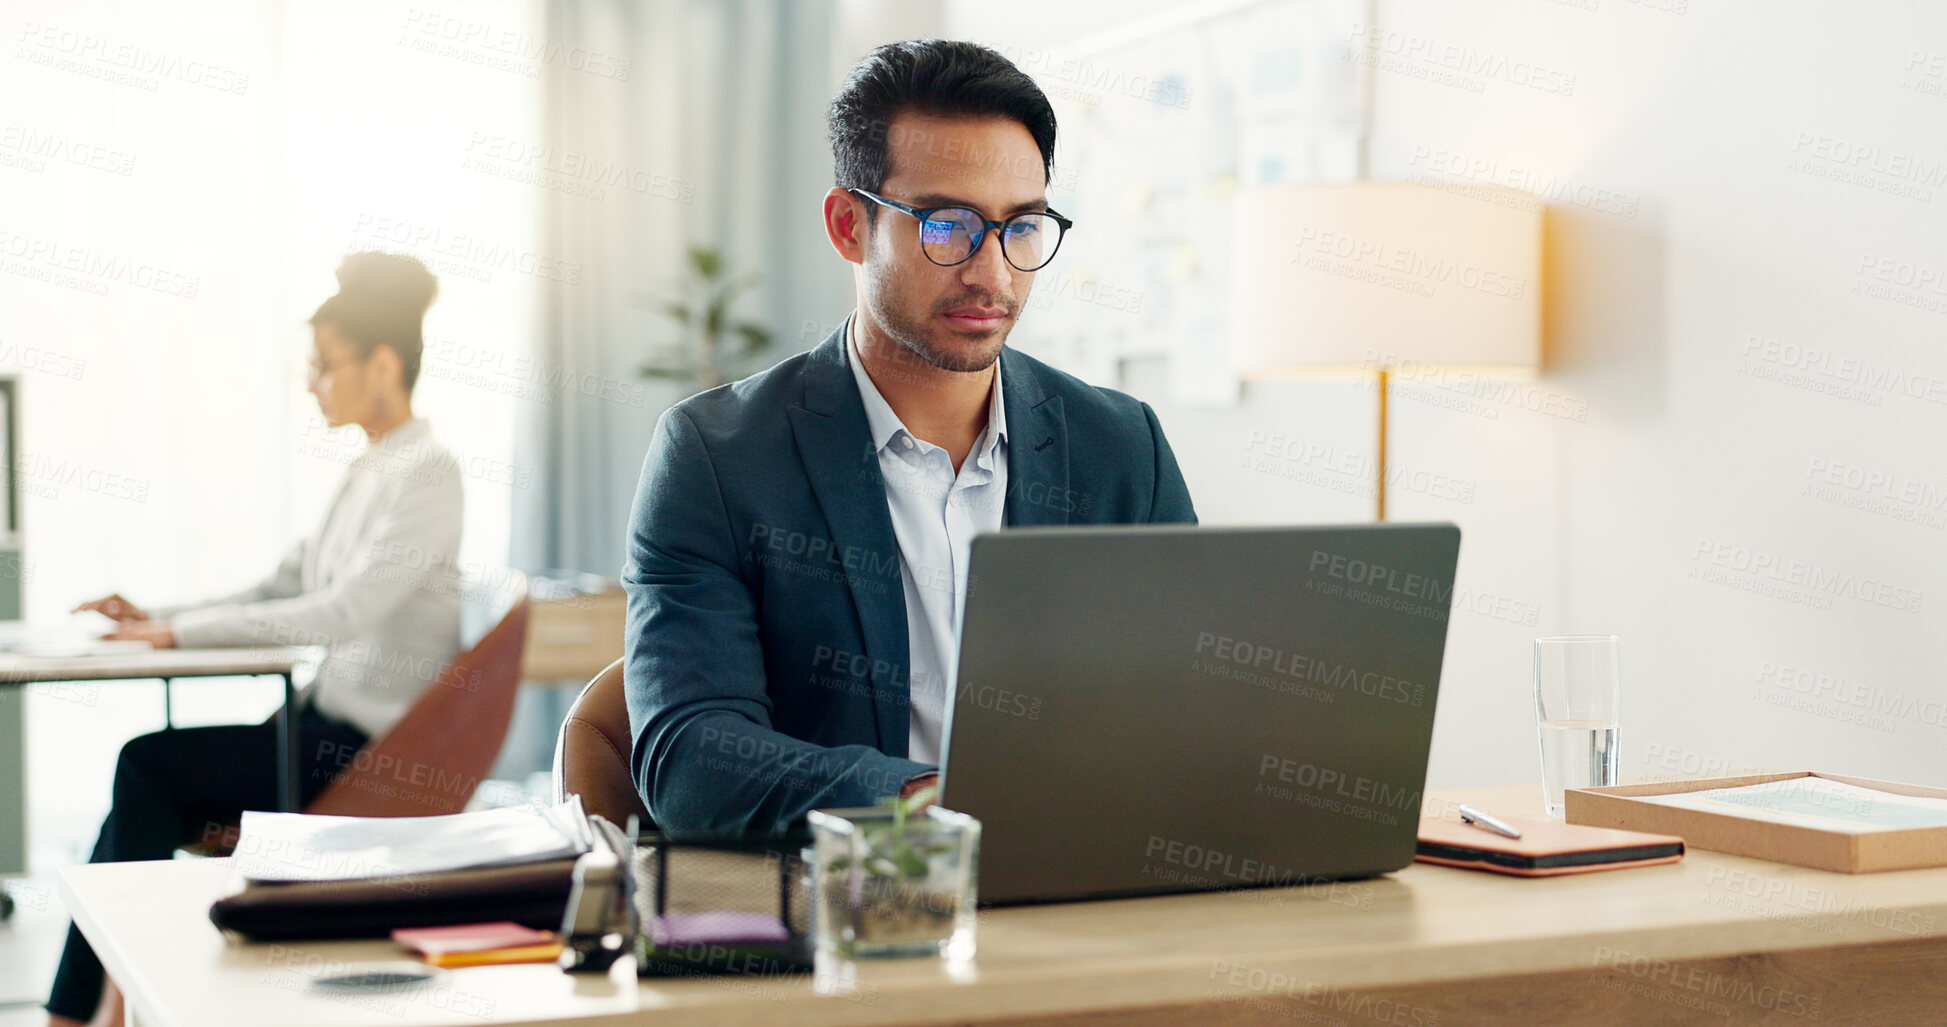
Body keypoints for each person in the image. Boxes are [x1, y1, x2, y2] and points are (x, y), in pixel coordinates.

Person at [622, 39, 1197, 838]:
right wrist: (939, 803)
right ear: (848, 224)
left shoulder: (1119, 446)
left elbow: (1192, 711)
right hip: (864, 917)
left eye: (1020, 227)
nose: (990, 272)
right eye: (946, 224)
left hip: (1091, 890)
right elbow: (688, 758)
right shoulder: (717, 456)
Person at [46, 252, 464, 1027]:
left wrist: (176, 635)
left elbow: (339, 611)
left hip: (362, 751)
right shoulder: (371, 466)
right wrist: (155, 618)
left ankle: (83, 1012)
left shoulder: (427, 473)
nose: (311, 382)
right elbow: (280, 587)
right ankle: (99, 1007)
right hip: (313, 725)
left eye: (322, 364)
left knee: (146, 769)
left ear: (380, 364)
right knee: (143, 788)